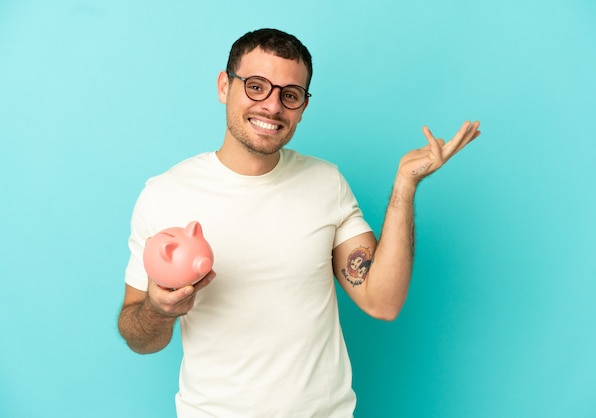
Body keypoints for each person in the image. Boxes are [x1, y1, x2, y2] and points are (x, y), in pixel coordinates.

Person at [118, 28, 480, 417]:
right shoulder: (165, 194)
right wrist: (159, 308)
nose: (272, 107)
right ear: (225, 86)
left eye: (289, 95)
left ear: (303, 106)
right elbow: (140, 338)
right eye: (256, 86)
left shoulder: (327, 183)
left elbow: (383, 301)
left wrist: (405, 187)